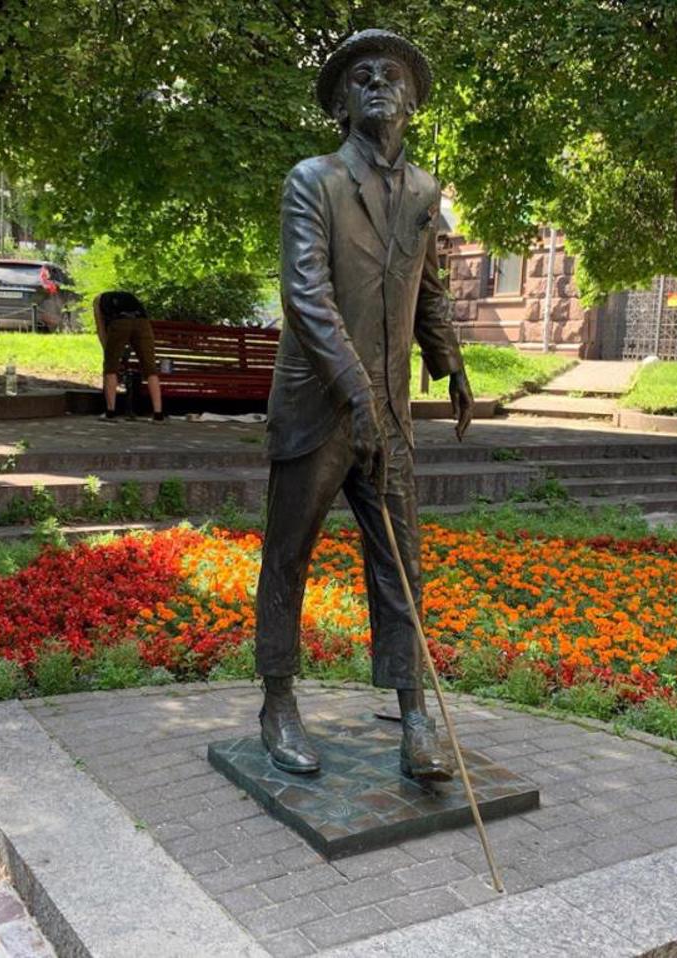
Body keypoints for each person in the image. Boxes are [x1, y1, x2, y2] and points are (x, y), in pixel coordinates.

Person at [254, 29, 474, 780]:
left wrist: (448, 360)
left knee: (400, 564)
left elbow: (427, 284)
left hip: (392, 414)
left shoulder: (423, 192)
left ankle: (415, 717)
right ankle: (278, 703)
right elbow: (305, 296)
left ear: (412, 101)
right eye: (362, 76)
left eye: (394, 76)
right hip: (319, 408)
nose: (379, 82)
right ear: (343, 103)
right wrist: (356, 393)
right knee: (289, 557)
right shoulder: (311, 181)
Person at [93, 290, 164, 422]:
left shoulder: (98, 300)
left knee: (110, 368)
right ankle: (158, 414)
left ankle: (110, 412)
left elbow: (100, 327)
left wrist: (107, 350)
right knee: (150, 368)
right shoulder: (130, 298)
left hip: (119, 322)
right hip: (142, 323)